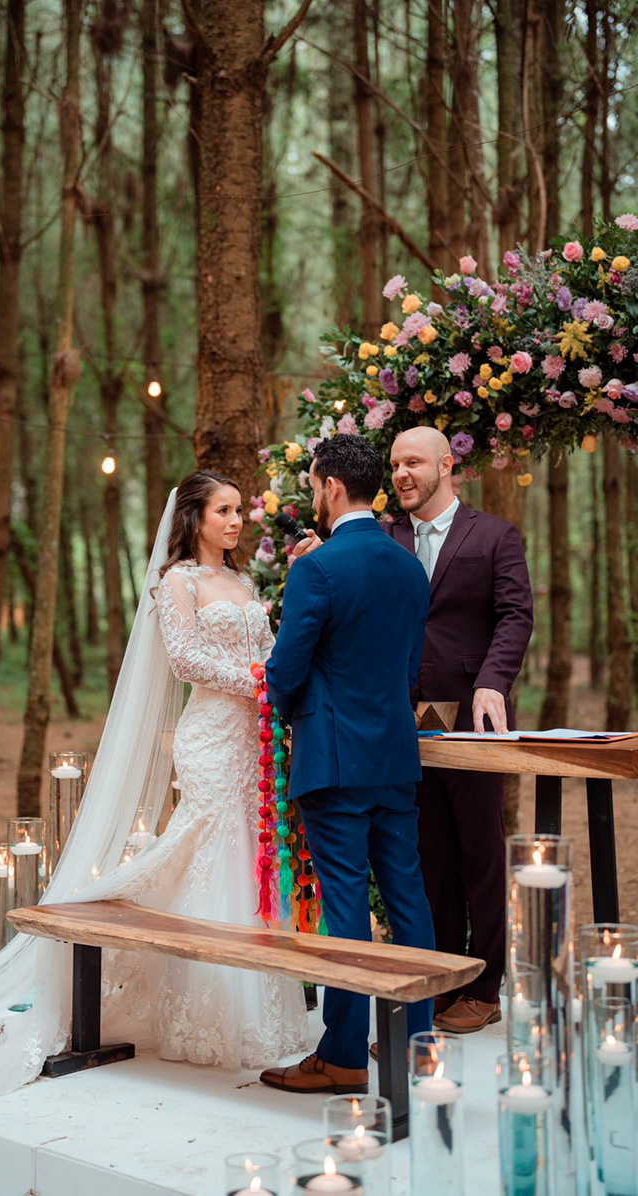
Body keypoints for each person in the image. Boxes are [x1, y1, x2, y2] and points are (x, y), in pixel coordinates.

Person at [0, 471, 307, 1102]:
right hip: (210, 738)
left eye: (237, 512)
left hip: (254, 740)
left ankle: (260, 1008)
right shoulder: (178, 582)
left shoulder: (245, 582)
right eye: (223, 511)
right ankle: (210, 1013)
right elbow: (185, 660)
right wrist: (257, 680)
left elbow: (271, 646)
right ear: (193, 518)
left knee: (247, 858)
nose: (236, 521)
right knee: (210, 851)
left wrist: (273, 678)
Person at [258, 434, 435, 1096]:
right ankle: (422, 1047)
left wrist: (291, 702)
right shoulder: (409, 567)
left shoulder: (317, 568)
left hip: (333, 760)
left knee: (345, 911)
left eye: (312, 485)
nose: (312, 495)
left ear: (332, 486)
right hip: (394, 755)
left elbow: (286, 671)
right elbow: (410, 670)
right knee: (408, 900)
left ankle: (342, 1057)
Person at [386, 427, 533, 1033]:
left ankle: (488, 985)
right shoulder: (386, 538)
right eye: (395, 464)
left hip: (473, 713)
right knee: (429, 855)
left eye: (413, 462)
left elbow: (515, 614)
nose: (401, 474)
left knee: (480, 852)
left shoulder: (494, 535)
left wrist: (493, 683)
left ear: (447, 465)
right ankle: (447, 980)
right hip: (405, 718)